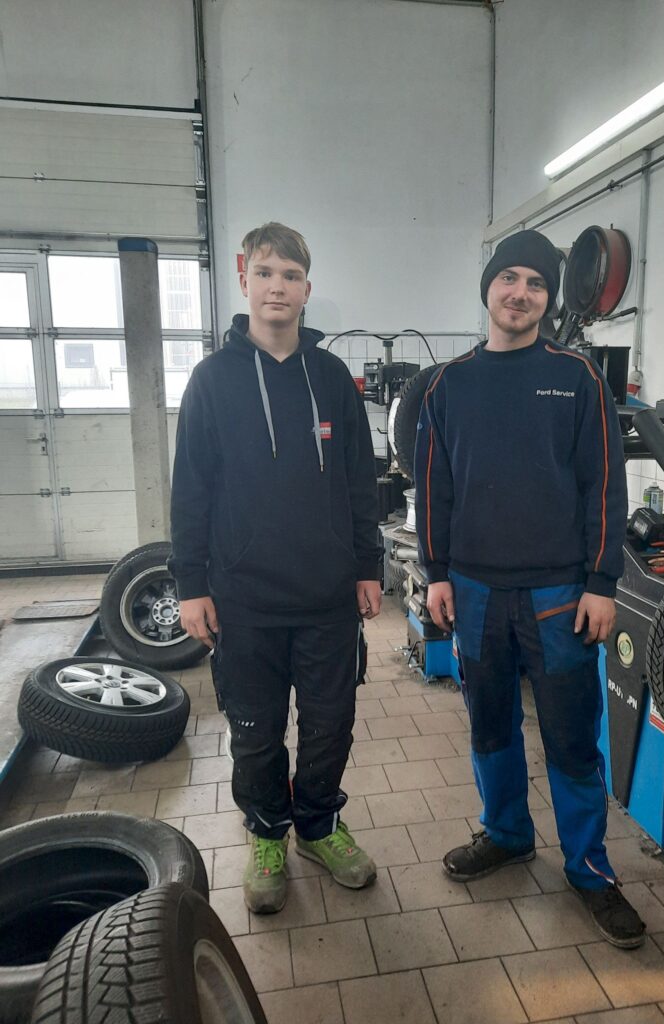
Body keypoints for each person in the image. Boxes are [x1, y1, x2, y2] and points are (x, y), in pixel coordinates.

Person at [414, 229, 645, 948]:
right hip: (475, 592)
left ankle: (590, 869)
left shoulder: (576, 378)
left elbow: (604, 486)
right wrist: (436, 573)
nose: (520, 293)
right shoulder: (447, 385)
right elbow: (434, 488)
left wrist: (602, 582)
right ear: (488, 287)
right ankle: (508, 833)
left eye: (536, 283)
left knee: (572, 739)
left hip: (559, 596)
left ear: (549, 298)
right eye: (509, 278)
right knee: (490, 726)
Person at [169, 222, 381, 915]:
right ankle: (266, 833)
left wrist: (369, 565)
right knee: (255, 733)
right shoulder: (212, 380)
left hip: (327, 598)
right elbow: (190, 490)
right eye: (265, 273)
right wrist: (191, 584)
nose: (277, 287)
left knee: (329, 726)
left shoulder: (332, 379)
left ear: (307, 288)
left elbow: (360, 480)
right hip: (244, 600)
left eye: (290, 275)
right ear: (244, 279)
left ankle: (317, 826)